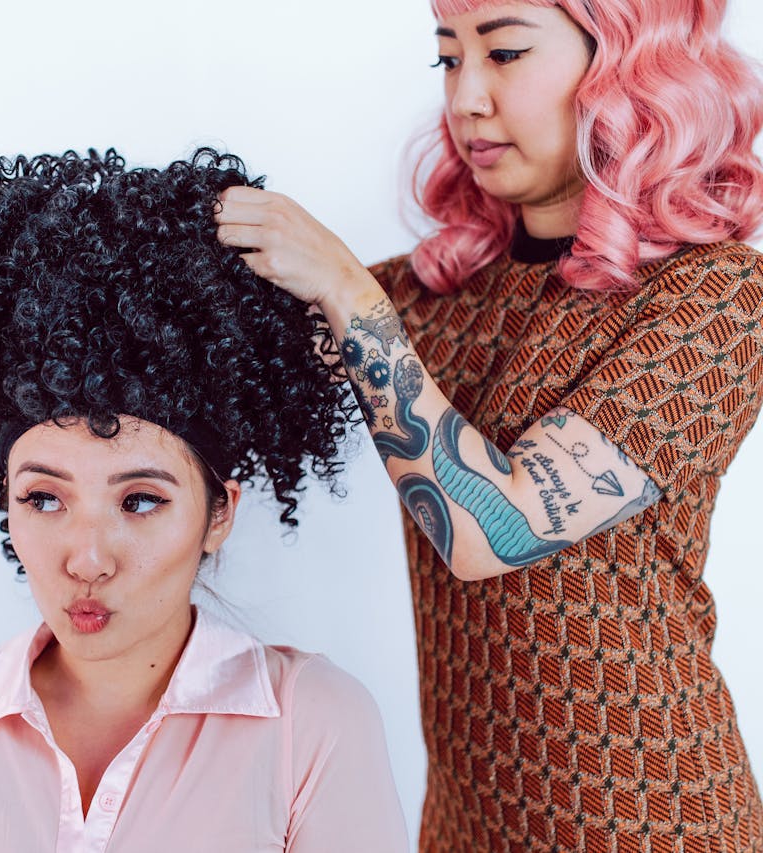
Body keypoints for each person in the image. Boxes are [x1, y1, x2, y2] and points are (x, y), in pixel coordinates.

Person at [213, 0, 763, 850]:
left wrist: (352, 296)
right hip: (467, 821)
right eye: (448, 58)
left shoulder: (716, 297)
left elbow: (491, 530)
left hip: (648, 816)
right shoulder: (438, 295)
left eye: (504, 52)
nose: (467, 96)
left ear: (625, 63)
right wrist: (21, 228)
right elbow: (204, 318)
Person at [0, 149, 409, 852]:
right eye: (44, 498)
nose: (86, 558)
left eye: (139, 501)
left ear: (220, 512)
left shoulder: (310, 723)